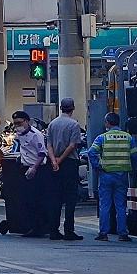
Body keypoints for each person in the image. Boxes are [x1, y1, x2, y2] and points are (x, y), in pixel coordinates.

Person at [88, 112, 137, 242]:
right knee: (121, 205)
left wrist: (97, 166)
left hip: (106, 175)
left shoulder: (102, 138)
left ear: (107, 123)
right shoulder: (128, 137)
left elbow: (91, 152)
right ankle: (123, 233)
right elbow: (135, 156)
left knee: (105, 205)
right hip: (122, 176)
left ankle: (103, 233)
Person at [45, 98, 85, 241]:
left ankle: (53, 230)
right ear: (72, 108)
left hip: (54, 162)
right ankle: (69, 230)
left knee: (55, 197)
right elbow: (72, 145)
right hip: (69, 164)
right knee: (70, 198)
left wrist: (54, 161)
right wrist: (61, 160)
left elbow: (48, 144)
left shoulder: (52, 124)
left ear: (60, 108)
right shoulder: (74, 125)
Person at [11, 110, 49, 238]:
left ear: (27, 121)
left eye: (19, 123)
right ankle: (31, 226)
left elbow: (42, 152)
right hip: (25, 167)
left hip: (37, 169)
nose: (17, 125)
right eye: (15, 123)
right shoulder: (19, 133)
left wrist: (34, 167)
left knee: (36, 199)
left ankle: (39, 227)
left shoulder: (36, 134)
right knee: (27, 199)